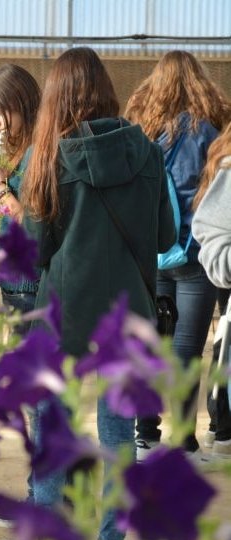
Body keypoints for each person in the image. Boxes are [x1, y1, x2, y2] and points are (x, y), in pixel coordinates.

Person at [20, 47, 175, 540]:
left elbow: (34, 250)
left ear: (58, 97)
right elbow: (166, 238)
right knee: (118, 435)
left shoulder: (51, 157)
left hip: (62, 315)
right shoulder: (147, 152)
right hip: (127, 316)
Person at [124, 50, 231, 462]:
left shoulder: (140, 132)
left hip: (152, 254)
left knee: (151, 344)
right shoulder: (208, 133)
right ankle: (183, 440)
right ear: (199, 84)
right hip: (195, 255)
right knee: (187, 348)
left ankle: (144, 434)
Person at [0, 64, 41, 526]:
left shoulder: (41, 153)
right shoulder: (22, 149)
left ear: (22, 102)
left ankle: (44, 503)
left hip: (32, 288)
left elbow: (32, 222)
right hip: (17, 284)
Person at [192, 121, 231, 458]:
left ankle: (219, 425)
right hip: (210, 262)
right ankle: (221, 425)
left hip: (207, 265)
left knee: (221, 346)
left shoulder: (217, 146)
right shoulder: (211, 137)